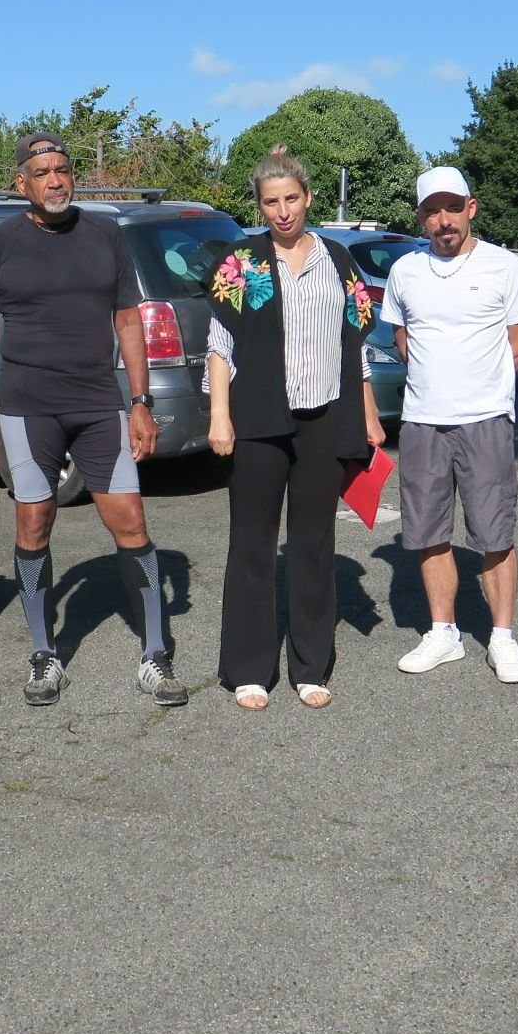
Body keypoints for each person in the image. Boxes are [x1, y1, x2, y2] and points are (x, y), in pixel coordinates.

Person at [0, 132, 187, 709]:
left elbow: (129, 322)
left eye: (63, 169)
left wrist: (141, 402)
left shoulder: (106, 234)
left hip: (97, 404)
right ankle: (44, 653)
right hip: (26, 407)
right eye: (42, 172)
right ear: (22, 183)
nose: (56, 180)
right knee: (33, 526)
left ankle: (155, 654)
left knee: (130, 522)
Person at [204, 145, 387, 711]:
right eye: (270, 203)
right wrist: (219, 415)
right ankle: (250, 669)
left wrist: (371, 413)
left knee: (313, 546)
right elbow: (219, 342)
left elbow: (353, 341)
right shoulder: (242, 260)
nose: (282, 212)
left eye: (291, 199)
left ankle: (311, 666)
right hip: (258, 420)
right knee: (253, 546)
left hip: (324, 420)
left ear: (308, 197)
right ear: (259, 207)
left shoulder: (337, 259)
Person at [381, 166, 518, 681]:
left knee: (495, 533)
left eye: (452, 208)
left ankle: (502, 638)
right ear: (422, 217)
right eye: (433, 210)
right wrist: (437, 381)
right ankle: (443, 632)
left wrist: (478, 386)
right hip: (423, 421)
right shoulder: (406, 271)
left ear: (471, 208)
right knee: (430, 532)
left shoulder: (504, 267)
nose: (443, 220)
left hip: (485, 420)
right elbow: (403, 340)